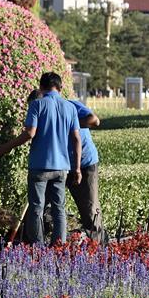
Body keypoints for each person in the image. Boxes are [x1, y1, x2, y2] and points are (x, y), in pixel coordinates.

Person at [0, 72, 82, 246]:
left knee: (36, 208)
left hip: (39, 166)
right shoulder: (70, 108)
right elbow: (76, 139)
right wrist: (77, 168)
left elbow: (30, 133)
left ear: (41, 87)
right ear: (60, 88)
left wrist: (7, 147)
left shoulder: (37, 105)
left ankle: (38, 248)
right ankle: (59, 247)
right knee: (59, 209)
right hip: (62, 168)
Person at [65, 97, 107, 243]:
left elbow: (94, 120)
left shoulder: (69, 104)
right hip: (62, 165)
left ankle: (100, 248)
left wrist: (70, 125)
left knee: (90, 209)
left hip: (85, 163)